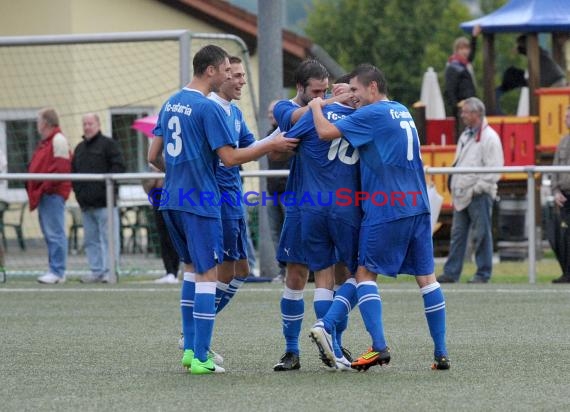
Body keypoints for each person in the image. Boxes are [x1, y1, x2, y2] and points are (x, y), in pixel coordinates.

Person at [148, 44, 297, 376]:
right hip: (201, 201)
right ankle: (200, 356)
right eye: (227, 71)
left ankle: (190, 350)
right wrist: (271, 144)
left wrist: (179, 173)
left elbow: (153, 156)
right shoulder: (208, 108)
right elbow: (229, 158)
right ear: (211, 71)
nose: (231, 76)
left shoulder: (171, 102)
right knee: (207, 276)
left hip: (172, 199)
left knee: (191, 271)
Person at [307, 64, 450, 371]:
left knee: (364, 274)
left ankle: (373, 344)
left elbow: (323, 132)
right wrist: (343, 99)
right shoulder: (401, 110)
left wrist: (318, 104)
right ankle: (441, 353)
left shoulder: (371, 114)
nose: (354, 96)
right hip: (417, 203)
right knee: (427, 279)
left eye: (356, 90)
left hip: (388, 206)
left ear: (373, 88)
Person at [284, 75, 360, 371]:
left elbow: (286, 139)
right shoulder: (365, 114)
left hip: (311, 207)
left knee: (323, 277)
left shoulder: (321, 111)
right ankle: (328, 331)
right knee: (362, 275)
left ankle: (334, 350)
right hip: (346, 207)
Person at [271, 59, 330, 372]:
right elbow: (275, 150)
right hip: (298, 198)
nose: (321, 96)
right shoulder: (286, 108)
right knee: (296, 274)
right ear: (301, 89)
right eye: (316, 92)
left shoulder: (330, 108)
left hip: (334, 204)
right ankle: (291, 350)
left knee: (330, 273)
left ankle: (331, 345)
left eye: (325, 90)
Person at [437, 97, 504, 284]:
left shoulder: (490, 137)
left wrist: (477, 188)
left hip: (479, 194)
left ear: (476, 114)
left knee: (481, 235)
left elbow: (495, 169)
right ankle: (451, 273)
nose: (462, 115)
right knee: (457, 235)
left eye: (466, 112)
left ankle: (483, 273)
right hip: (463, 193)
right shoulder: (466, 135)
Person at [72, 113, 125, 283]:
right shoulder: (79, 148)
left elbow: (119, 168)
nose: (87, 126)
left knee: (110, 240)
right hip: (87, 206)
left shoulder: (109, 145)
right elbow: (74, 175)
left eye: (90, 123)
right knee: (91, 241)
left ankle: (110, 272)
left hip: (106, 204)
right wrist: (80, 196)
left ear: (98, 124)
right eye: (85, 123)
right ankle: (96, 271)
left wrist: (106, 191)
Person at [27, 108, 72, 284]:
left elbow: (61, 169)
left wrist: (44, 188)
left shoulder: (58, 140)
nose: (37, 124)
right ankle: (55, 269)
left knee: (55, 233)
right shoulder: (47, 142)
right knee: (50, 233)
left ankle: (58, 271)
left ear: (45, 122)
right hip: (45, 194)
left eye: (39, 120)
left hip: (52, 194)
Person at [495, 35, 567, 114]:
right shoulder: (540, 54)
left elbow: (528, 49)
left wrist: (519, 49)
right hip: (554, 80)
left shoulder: (538, 52)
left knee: (552, 105)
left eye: (520, 44)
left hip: (554, 81)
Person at [142, 164, 180, 284]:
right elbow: (148, 187)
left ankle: (175, 271)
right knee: (163, 237)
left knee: (174, 237)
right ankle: (169, 272)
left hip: (176, 200)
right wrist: (154, 178)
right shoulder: (153, 166)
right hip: (159, 202)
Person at [265, 99, 288, 283]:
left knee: (290, 231)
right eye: (269, 112)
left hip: (290, 192)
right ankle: (283, 270)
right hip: (272, 191)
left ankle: (300, 269)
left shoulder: (292, 131)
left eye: (274, 111)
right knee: (275, 232)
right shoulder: (268, 135)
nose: (271, 115)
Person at [444, 25, 481, 139]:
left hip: (470, 104)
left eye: (467, 48)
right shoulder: (453, 66)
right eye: (462, 49)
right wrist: (457, 107)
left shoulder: (464, 64)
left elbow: (472, 55)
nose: (465, 51)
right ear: (456, 50)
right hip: (461, 108)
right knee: (462, 133)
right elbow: (450, 89)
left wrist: (474, 37)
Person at [549, 105, 570, 284]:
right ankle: (567, 273)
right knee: (562, 236)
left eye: (568, 117)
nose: (566, 120)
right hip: (564, 197)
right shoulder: (563, 142)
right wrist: (555, 191)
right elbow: (554, 170)